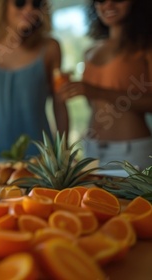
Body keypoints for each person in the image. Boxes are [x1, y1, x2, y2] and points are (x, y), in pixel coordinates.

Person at [59, 0, 152, 169]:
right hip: (92, 149)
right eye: (100, 0)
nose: (108, 4)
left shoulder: (145, 47)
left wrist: (96, 92)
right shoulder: (90, 51)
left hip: (131, 150)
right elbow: (94, 105)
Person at [0, 0, 68, 159]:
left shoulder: (50, 48)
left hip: (39, 161)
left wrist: (63, 152)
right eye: (20, 2)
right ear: (2, 6)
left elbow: (60, 104)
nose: (29, 9)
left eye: (36, 4)